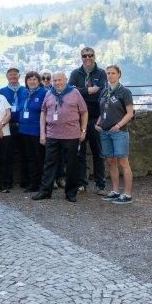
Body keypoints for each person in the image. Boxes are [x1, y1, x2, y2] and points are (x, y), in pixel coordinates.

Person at [33, 71, 88, 203]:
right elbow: (43, 113)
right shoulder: (49, 93)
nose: (57, 82)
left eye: (59, 80)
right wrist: (42, 133)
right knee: (49, 164)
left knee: (71, 165)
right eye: (55, 80)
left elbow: (84, 112)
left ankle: (70, 193)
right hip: (52, 135)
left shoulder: (74, 93)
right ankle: (45, 191)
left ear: (65, 80)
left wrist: (84, 130)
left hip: (71, 135)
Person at [69, 47, 107, 192]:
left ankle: (100, 184)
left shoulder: (101, 73)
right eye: (84, 56)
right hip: (78, 118)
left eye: (90, 55)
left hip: (96, 118)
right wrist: (88, 91)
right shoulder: (75, 73)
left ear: (94, 56)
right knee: (80, 152)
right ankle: (81, 182)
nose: (87, 58)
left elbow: (102, 90)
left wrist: (81, 91)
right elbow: (71, 90)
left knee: (98, 152)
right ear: (81, 57)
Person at [97, 65, 134, 204]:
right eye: (108, 73)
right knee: (110, 161)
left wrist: (118, 126)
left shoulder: (124, 92)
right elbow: (103, 111)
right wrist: (98, 123)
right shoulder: (104, 91)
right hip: (105, 132)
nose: (110, 75)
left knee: (123, 162)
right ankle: (115, 191)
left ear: (119, 74)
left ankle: (128, 194)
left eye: (113, 73)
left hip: (119, 132)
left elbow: (130, 113)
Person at [18, 71, 47, 193]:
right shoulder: (24, 92)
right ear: (26, 81)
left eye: (34, 79)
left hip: (36, 131)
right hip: (24, 130)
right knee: (28, 157)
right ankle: (31, 181)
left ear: (39, 81)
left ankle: (39, 183)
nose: (32, 81)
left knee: (38, 158)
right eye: (29, 79)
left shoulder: (44, 93)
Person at [0, 67, 27, 188]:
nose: (13, 77)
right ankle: (8, 181)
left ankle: (25, 181)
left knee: (25, 154)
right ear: (7, 77)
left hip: (24, 126)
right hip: (8, 125)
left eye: (15, 75)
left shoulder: (25, 90)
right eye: (10, 75)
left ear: (19, 76)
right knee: (7, 154)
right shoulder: (1, 91)